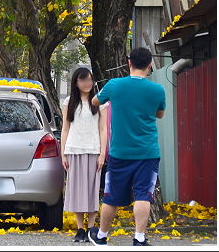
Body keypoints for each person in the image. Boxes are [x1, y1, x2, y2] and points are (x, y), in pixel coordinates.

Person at [87, 47, 166, 247]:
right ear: (150, 65)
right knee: (143, 194)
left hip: (120, 152)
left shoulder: (114, 85)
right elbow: (160, 114)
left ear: (129, 63)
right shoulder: (157, 90)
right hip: (148, 152)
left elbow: (95, 101)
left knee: (112, 195)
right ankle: (139, 238)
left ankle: (102, 235)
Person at [60, 67, 108, 242]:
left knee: (92, 191)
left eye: (89, 80)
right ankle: (80, 229)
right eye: (83, 80)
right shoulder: (69, 102)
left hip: (94, 151)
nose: (87, 84)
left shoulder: (100, 101)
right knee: (78, 191)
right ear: (76, 82)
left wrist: (103, 154)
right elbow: (65, 128)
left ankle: (91, 228)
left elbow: (103, 130)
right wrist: (63, 153)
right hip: (74, 150)